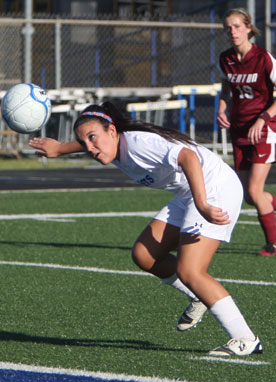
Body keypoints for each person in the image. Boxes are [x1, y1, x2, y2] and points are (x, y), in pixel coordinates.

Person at [29, 101, 263, 356]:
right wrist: (60, 149)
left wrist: (202, 203)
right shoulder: (109, 145)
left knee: (191, 271)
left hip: (214, 188)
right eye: (84, 143)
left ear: (112, 131)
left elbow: (188, 157)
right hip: (190, 192)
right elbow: (89, 138)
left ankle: (245, 339)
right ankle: (198, 297)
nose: (89, 148)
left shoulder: (138, 143)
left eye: (93, 138)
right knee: (144, 254)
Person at [217, 7, 276, 256]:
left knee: (254, 190)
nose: (233, 31)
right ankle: (270, 207)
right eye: (228, 27)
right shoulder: (226, 59)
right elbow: (226, 87)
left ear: (249, 28)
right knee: (250, 195)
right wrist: (221, 109)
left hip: (264, 129)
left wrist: (263, 119)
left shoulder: (264, 58)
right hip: (239, 130)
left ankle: (273, 245)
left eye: (238, 26)